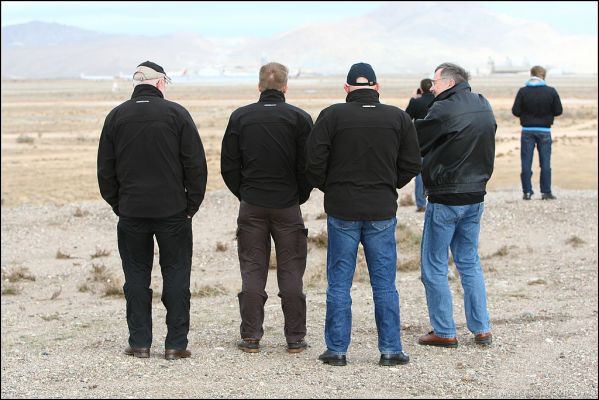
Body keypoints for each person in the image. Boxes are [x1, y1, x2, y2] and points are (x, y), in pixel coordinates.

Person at [305, 62, 421, 366]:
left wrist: (332, 187)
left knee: (339, 282)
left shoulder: (331, 116)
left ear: (346, 88)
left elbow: (313, 162)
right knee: (384, 284)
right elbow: (412, 162)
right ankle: (391, 350)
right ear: (377, 87)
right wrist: (389, 184)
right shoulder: (398, 117)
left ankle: (337, 350)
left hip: (342, 208)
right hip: (381, 209)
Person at [97, 61, 208, 360]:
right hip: (173, 211)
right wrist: (191, 206)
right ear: (160, 83)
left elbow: (105, 170)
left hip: (132, 211)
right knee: (176, 274)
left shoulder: (116, 116)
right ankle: (175, 344)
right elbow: (195, 165)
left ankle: (140, 343)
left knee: (135, 276)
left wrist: (119, 204)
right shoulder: (177, 114)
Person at [220, 62, 313, 354]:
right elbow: (309, 165)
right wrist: (298, 195)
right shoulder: (299, 118)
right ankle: (295, 338)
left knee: (252, 269)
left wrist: (245, 193)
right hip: (287, 206)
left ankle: (251, 337)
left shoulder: (241, 117)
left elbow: (228, 165)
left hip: (253, 205)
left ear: (259, 86)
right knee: (291, 270)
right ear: (285, 86)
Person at [414, 62, 495, 348]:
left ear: (449, 82)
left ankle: (444, 331)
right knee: (469, 262)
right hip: (475, 195)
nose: (432, 87)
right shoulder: (483, 103)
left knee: (434, 265)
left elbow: (416, 140)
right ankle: (482, 328)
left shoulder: (443, 108)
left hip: (446, 196)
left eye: (435, 82)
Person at [512, 65, 563, 200]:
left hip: (527, 130)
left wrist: (527, 114)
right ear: (544, 76)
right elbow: (558, 111)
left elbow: (515, 111)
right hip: (545, 130)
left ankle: (527, 192)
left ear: (531, 74)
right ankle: (546, 192)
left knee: (526, 162)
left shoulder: (523, 91)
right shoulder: (551, 91)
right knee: (545, 163)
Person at [406, 78, 435, 212]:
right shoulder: (439, 101)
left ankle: (421, 204)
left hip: (420, 143)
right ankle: (436, 201)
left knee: (420, 174)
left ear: (421, 89)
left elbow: (406, 118)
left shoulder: (416, 102)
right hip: (437, 141)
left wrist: (413, 99)